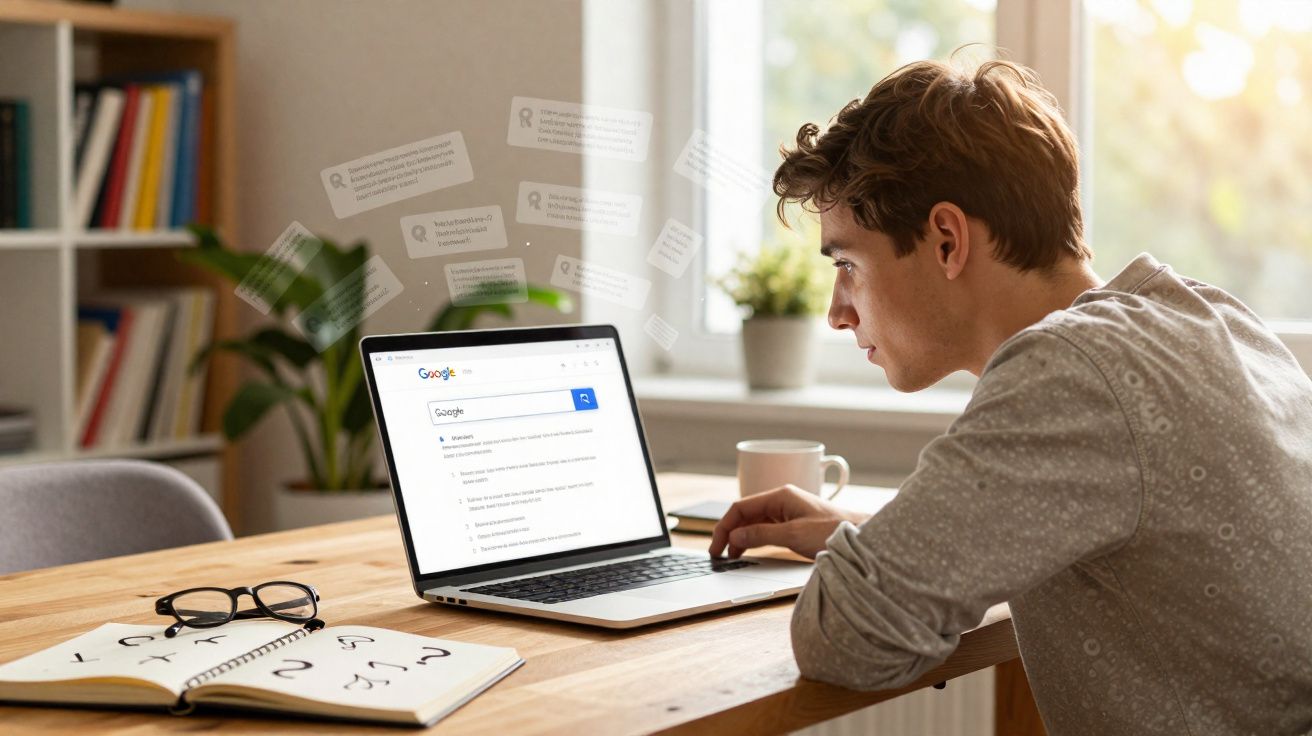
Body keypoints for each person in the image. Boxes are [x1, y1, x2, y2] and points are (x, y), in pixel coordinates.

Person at [708, 56, 1312, 735]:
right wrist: (868, 538)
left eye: (848, 264)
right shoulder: (1206, 317)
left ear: (946, 239)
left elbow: (841, 634)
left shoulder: (1072, 371)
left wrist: (870, 565)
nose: (836, 313)